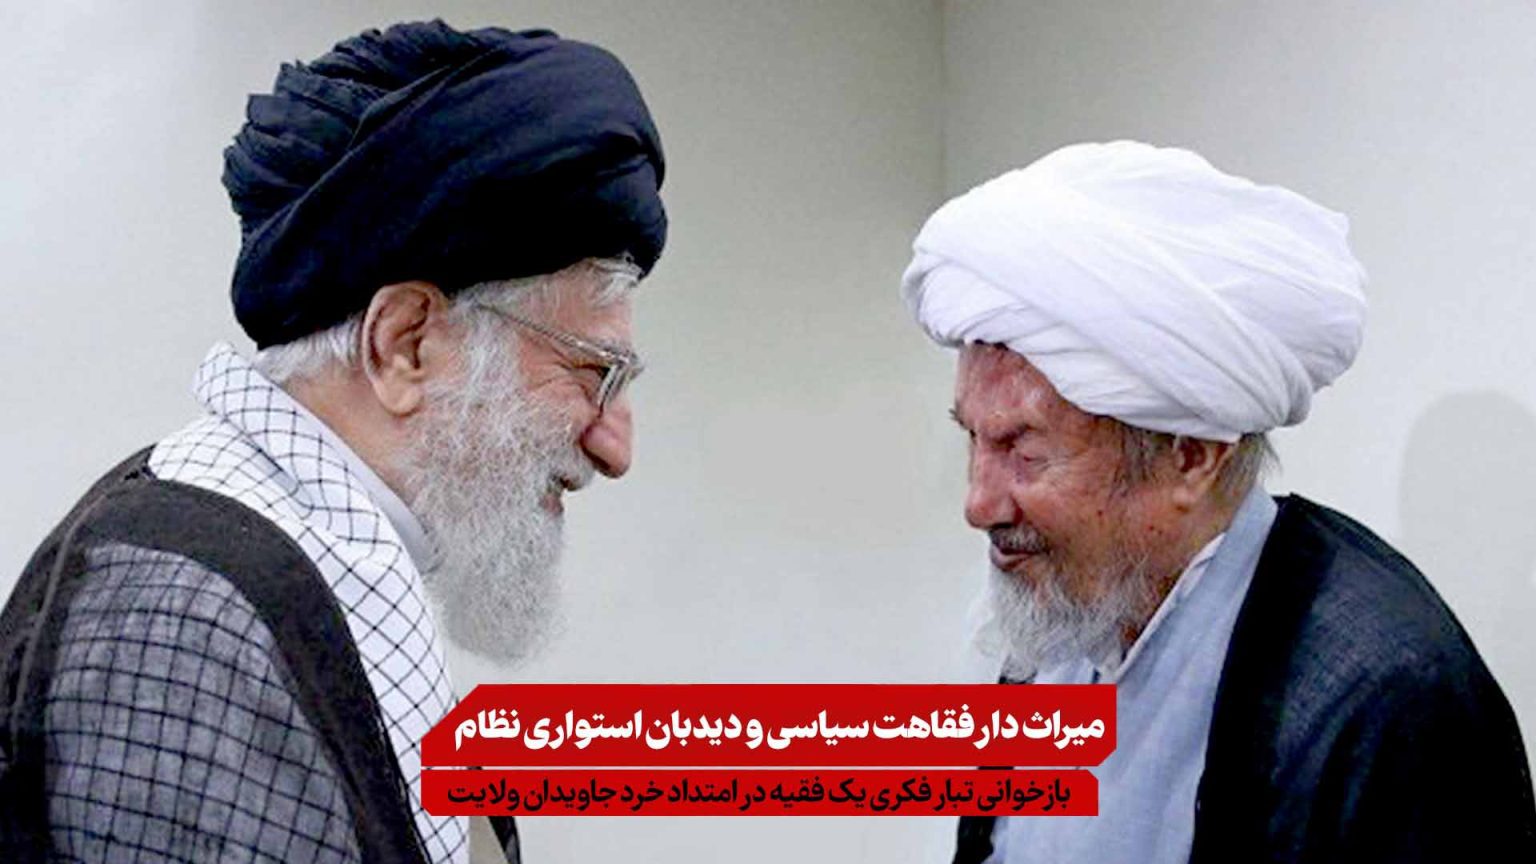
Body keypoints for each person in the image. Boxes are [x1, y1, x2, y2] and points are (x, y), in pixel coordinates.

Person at [0, 20, 665, 864]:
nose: (615, 448)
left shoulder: (323, 564)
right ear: (404, 345)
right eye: (592, 372)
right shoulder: (183, 614)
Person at [901, 141, 1536, 863]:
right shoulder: (1064, 614)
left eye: (1025, 450)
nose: (979, 503)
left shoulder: (1383, 702)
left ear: (1192, 455)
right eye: (973, 438)